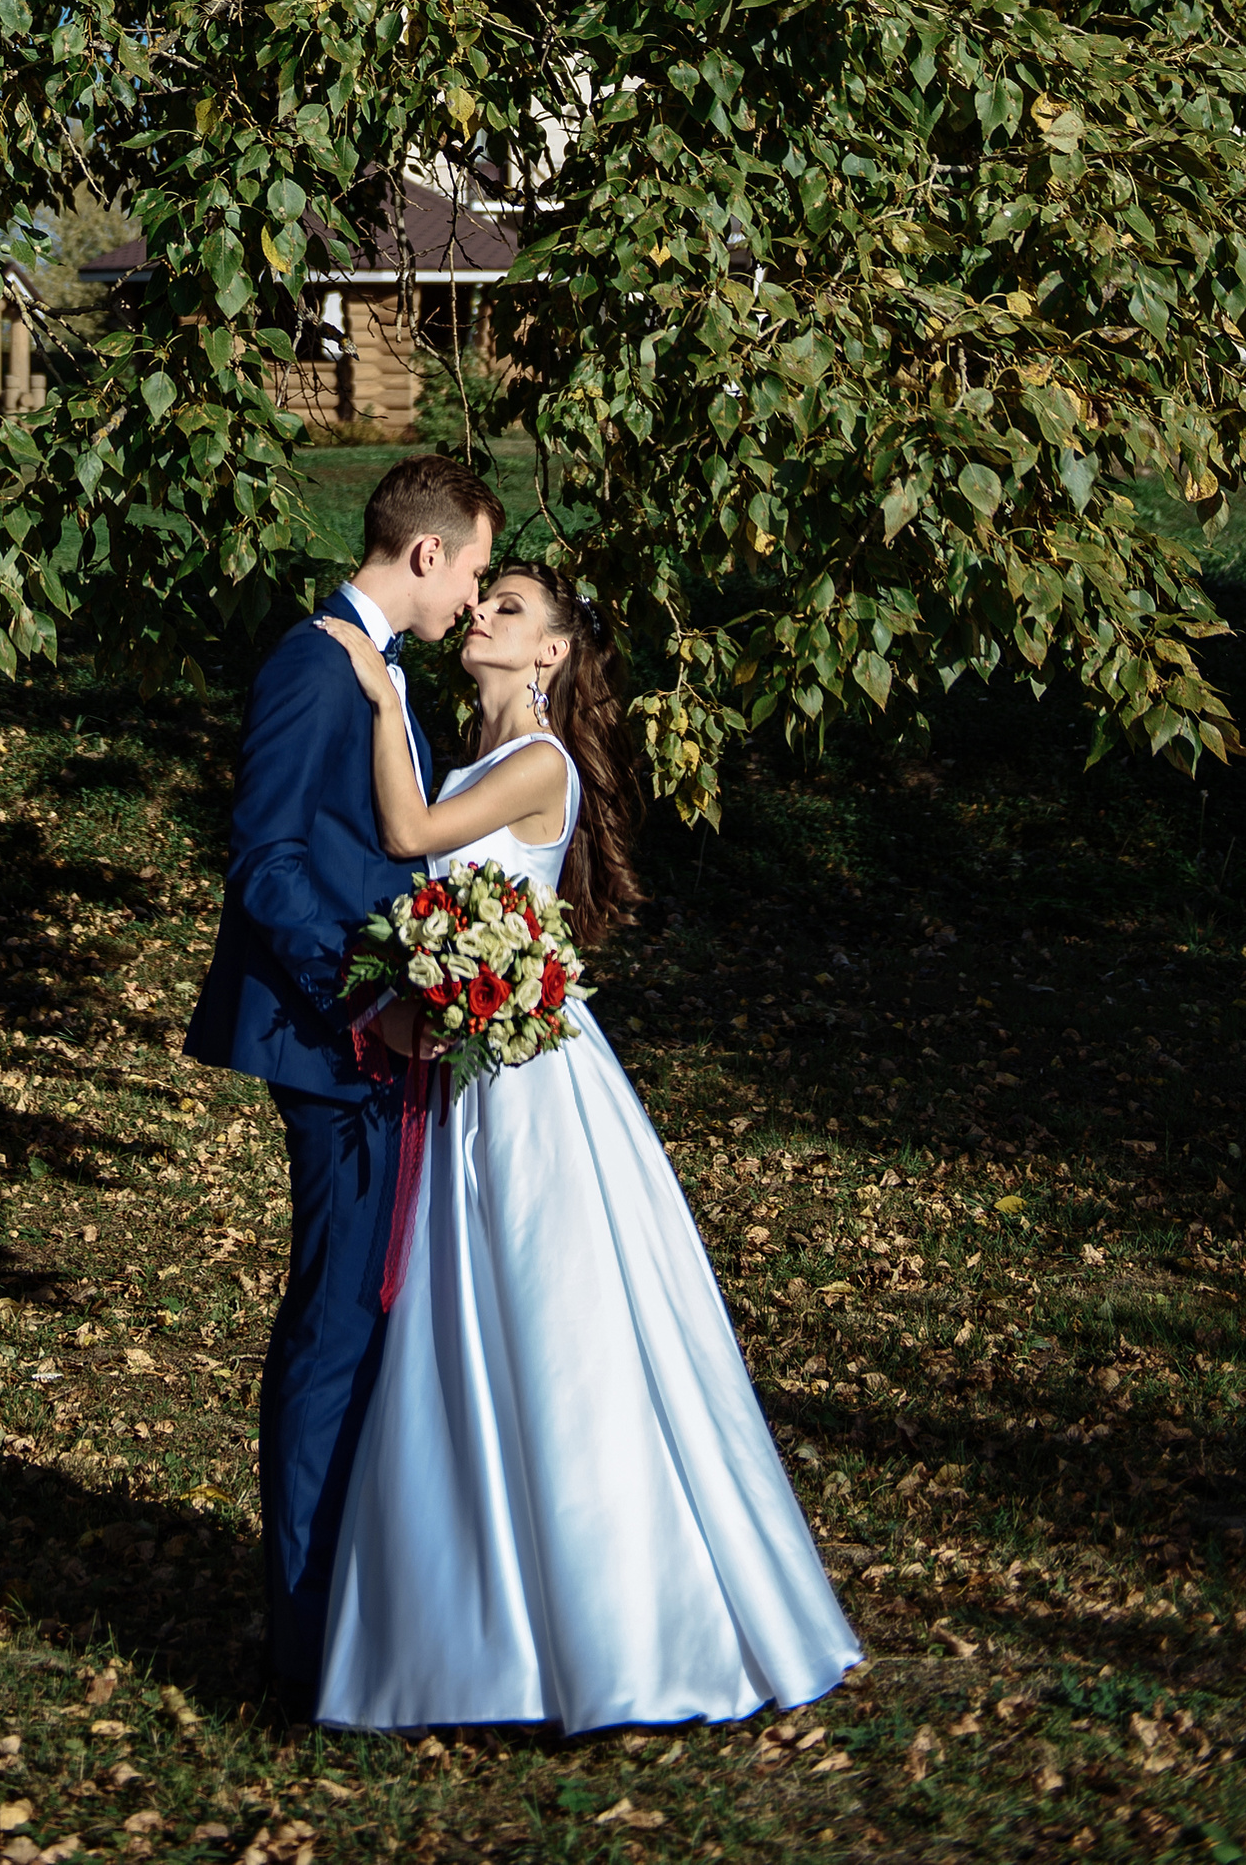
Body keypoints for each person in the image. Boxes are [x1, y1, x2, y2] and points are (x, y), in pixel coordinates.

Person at [308, 562, 862, 1736]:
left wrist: (372, 692)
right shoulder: (479, 752)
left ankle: (625, 1626)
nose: (484, 615)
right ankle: (478, 1636)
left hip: (532, 1086)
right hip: (467, 1070)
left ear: (551, 653)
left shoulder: (539, 762)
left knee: (559, 1332)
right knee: (468, 1334)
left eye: (509, 608)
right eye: (486, 597)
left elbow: (408, 830)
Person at [183, 452, 504, 1719]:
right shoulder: (315, 663)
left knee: (365, 1324)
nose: (474, 595)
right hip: (335, 1048)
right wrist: (376, 994)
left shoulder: (369, 671)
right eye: (474, 565)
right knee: (332, 1327)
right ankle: (304, 1647)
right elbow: (263, 863)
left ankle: (354, 1615)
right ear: (426, 552)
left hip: (380, 1042)